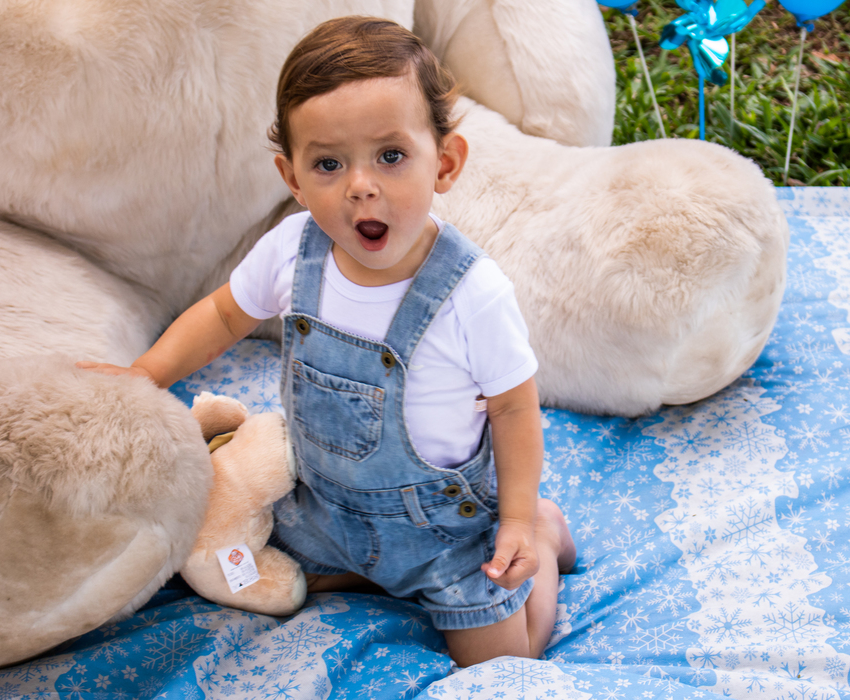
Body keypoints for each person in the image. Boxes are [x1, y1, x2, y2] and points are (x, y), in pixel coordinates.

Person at [78, 16, 574, 667]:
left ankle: (544, 528)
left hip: (442, 531)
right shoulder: (293, 251)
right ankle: (368, 571)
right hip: (321, 507)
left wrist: (514, 520)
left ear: (445, 162)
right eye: (329, 164)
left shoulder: (470, 293)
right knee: (226, 561)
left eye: (390, 156)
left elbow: (512, 407)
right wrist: (144, 376)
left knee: (503, 661)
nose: (360, 184)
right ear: (293, 178)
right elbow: (223, 315)